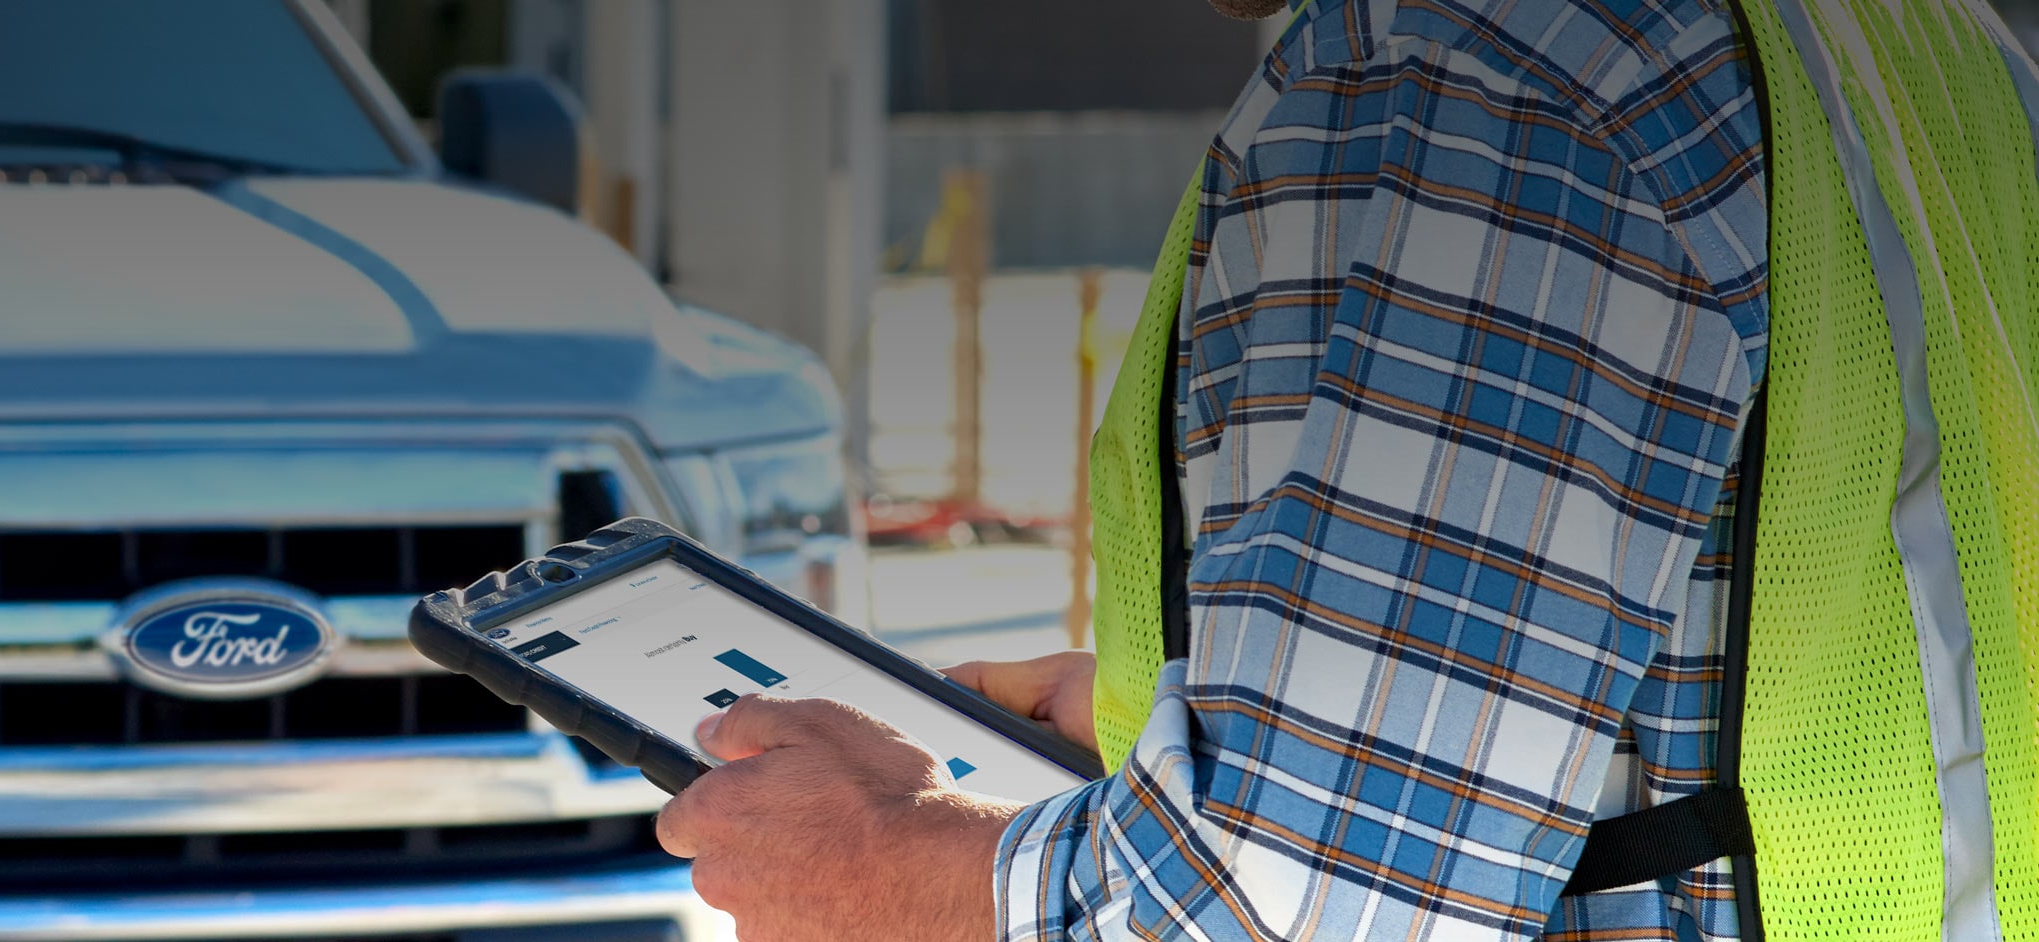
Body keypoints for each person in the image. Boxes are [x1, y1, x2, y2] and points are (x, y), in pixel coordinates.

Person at [654, 0, 2039, 938]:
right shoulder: (1892, 31)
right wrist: (1196, 708)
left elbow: (1319, 909)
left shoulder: (1475, 62)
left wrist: (888, 863)